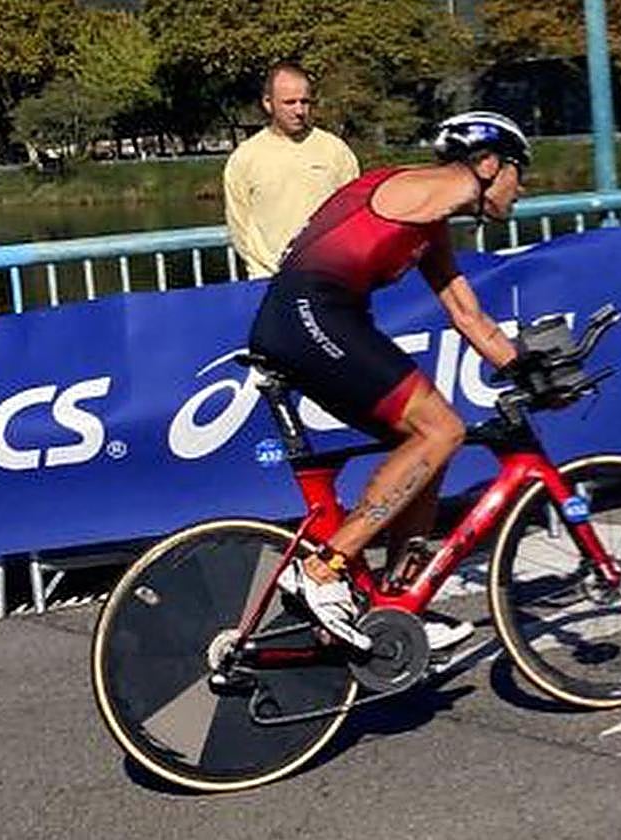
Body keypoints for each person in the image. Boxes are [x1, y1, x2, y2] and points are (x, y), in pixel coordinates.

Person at [247, 111, 530, 651]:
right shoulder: (424, 189)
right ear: (489, 164)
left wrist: (521, 366)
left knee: (426, 443)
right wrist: (468, 187)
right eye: (518, 171)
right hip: (313, 313)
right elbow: (427, 194)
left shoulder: (431, 222)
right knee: (441, 428)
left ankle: (399, 599)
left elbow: (467, 315)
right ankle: (324, 569)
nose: (522, 189)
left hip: (319, 316)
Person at [224, 62, 360, 279]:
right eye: (289, 102)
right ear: (268, 103)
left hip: (329, 278)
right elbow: (239, 225)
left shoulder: (335, 150)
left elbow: (354, 214)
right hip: (269, 281)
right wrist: (263, 269)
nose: (299, 111)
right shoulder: (245, 158)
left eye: (304, 102)